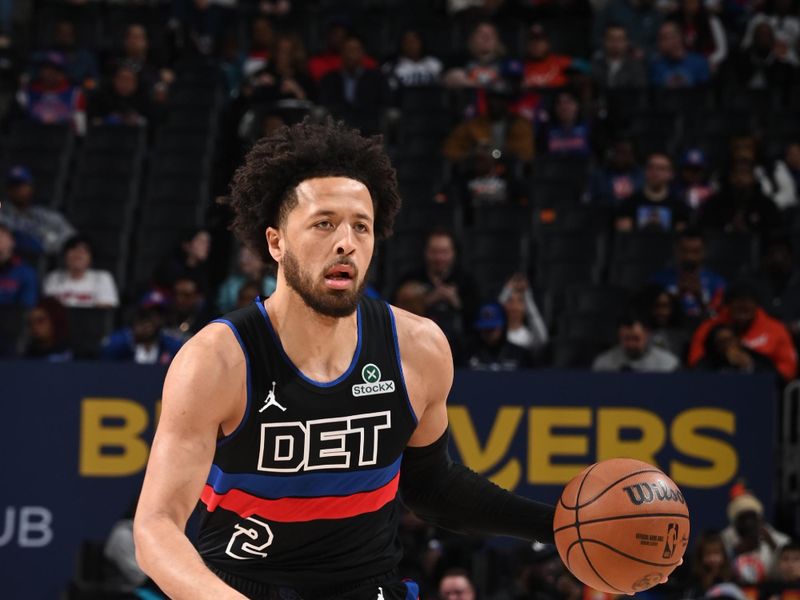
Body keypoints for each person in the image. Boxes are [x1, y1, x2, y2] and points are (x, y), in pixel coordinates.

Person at [133, 119, 558, 600]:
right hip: (243, 589)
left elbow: (433, 489)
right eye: (324, 223)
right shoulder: (216, 360)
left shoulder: (418, 348)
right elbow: (157, 527)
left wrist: (561, 528)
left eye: (362, 226)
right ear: (276, 242)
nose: (346, 242)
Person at [395, 227, 481, 364]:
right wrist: (428, 300)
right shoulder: (410, 278)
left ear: (453, 253)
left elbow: (476, 319)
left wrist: (456, 302)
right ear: (426, 252)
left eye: (444, 252)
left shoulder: (466, 281)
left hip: (458, 354)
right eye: (434, 252)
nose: (439, 258)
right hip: (418, 349)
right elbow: (396, 314)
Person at [688, 282, 798, 381]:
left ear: (756, 305)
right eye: (737, 301)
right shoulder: (709, 328)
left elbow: (787, 370)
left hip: (761, 392)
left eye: (748, 302)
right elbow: (695, 362)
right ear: (728, 305)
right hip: (714, 388)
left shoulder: (776, 329)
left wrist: (750, 366)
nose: (742, 306)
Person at [443, 81, 535, 163]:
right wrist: (471, 155)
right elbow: (450, 151)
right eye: (491, 98)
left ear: (507, 102)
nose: (494, 103)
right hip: (475, 173)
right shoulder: (473, 124)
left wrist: (498, 155)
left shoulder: (520, 125)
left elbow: (526, 154)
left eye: (500, 99)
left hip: (508, 174)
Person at [651, 229, 726, 321]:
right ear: (676, 250)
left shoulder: (717, 283)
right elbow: (652, 316)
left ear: (705, 252)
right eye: (684, 251)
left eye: (695, 251)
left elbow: (717, 318)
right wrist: (677, 296)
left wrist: (699, 298)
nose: (689, 257)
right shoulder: (658, 281)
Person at [0, 166, 75, 256]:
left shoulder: (45, 215)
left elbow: (72, 237)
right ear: (8, 190)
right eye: (14, 186)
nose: (18, 190)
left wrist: (45, 246)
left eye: (22, 185)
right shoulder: (2, 213)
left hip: (41, 263)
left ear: (31, 188)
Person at [720, 487, 791, 583]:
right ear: (735, 522)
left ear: (759, 519)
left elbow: (791, 562)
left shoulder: (774, 537)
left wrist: (773, 546)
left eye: (751, 517)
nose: (748, 523)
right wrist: (734, 552)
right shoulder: (726, 537)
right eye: (743, 518)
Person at [699, 160, 782, 235]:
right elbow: (706, 230)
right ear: (730, 177)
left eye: (745, 173)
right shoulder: (714, 203)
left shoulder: (766, 205)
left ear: (753, 178)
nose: (740, 178)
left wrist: (749, 229)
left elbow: (774, 232)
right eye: (736, 173)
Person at [615, 153, 689, 232]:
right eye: (651, 167)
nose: (655, 172)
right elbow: (623, 238)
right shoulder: (630, 203)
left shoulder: (679, 205)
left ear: (670, 174)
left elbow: (680, 238)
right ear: (645, 171)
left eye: (661, 169)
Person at [17, 51, 87, 133]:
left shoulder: (76, 95)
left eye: (54, 70)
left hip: (63, 141)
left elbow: (80, 130)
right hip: (32, 140)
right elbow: (17, 125)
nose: (48, 73)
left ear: (62, 73)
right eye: (45, 68)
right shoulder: (26, 94)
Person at [43, 234, 119, 308]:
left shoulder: (102, 278)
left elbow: (105, 310)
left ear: (91, 258)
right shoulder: (53, 277)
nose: (78, 255)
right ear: (65, 256)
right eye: (74, 250)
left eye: (84, 252)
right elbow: (48, 311)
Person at [592, 313, 680, 372]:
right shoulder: (604, 364)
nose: (631, 344)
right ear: (619, 336)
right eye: (626, 338)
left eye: (636, 338)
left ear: (646, 334)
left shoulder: (667, 364)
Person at [101, 306, 184, 365]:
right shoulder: (126, 343)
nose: (145, 329)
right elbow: (107, 351)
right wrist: (130, 338)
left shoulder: (165, 343)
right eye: (141, 325)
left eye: (148, 325)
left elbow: (179, 350)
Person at [468, 302, 533, 371]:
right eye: (485, 329)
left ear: (503, 327)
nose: (489, 333)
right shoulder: (469, 354)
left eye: (493, 328)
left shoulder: (520, 355)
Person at [88, 61, 157, 127]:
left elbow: (152, 123)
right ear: (114, 80)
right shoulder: (101, 97)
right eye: (121, 79)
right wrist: (104, 121)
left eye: (129, 80)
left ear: (136, 83)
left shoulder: (144, 99)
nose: (125, 84)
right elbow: (92, 121)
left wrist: (140, 121)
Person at [668, 0, 728, 72]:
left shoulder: (711, 20)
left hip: (707, 62)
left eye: (694, 2)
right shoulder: (674, 21)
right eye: (687, 3)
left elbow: (722, 50)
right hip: (681, 63)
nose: (690, 6)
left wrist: (708, 61)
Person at [693, 323, 777, 374]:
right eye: (721, 342)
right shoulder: (706, 363)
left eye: (730, 340)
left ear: (738, 340)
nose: (727, 345)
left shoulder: (757, 358)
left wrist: (748, 366)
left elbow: (771, 379)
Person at [217, 246, 277, 314]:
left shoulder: (273, 286)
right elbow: (221, 309)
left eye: (249, 256)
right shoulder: (230, 285)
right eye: (241, 256)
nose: (243, 260)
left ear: (262, 261)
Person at [650, 21, 711, 88]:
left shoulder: (699, 63)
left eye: (673, 36)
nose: (671, 41)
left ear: (680, 36)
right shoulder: (657, 66)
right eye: (665, 38)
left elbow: (706, 94)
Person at [498, 273, 548, 354]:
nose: (514, 306)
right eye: (510, 300)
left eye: (519, 301)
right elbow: (494, 314)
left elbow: (543, 339)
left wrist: (527, 295)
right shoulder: (495, 333)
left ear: (526, 307)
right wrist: (506, 291)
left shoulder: (528, 337)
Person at [589, 138, 644, 207]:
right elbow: (591, 201)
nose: (620, 157)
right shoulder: (599, 175)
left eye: (624, 152)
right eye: (617, 152)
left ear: (632, 155)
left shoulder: (642, 175)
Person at [591, 24, 647, 89]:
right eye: (611, 39)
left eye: (620, 39)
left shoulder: (636, 68)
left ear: (626, 42)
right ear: (604, 41)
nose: (615, 43)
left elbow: (640, 92)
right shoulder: (595, 65)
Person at [536, 91, 591, 157]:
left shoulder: (590, 128)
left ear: (577, 105)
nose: (564, 107)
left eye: (568, 102)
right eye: (559, 103)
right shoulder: (545, 130)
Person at [682, 531, 734, 598]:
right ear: (701, 556)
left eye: (716, 553)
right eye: (708, 554)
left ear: (724, 554)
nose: (712, 558)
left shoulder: (730, 575)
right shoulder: (696, 577)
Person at [0, 223, 37, 308]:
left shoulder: (25, 272)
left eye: (1, 236)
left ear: (12, 241)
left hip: (12, 318)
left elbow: (27, 308)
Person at [23, 297, 73, 361]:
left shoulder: (75, 354)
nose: (34, 326)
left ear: (55, 320)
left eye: (40, 321)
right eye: (30, 323)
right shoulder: (28, 355)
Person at [770, 142, 800, 211]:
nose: (795, 157)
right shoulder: (779, 171)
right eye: (792, 154)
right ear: (787, 156)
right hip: (788, 209)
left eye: (797, 153)